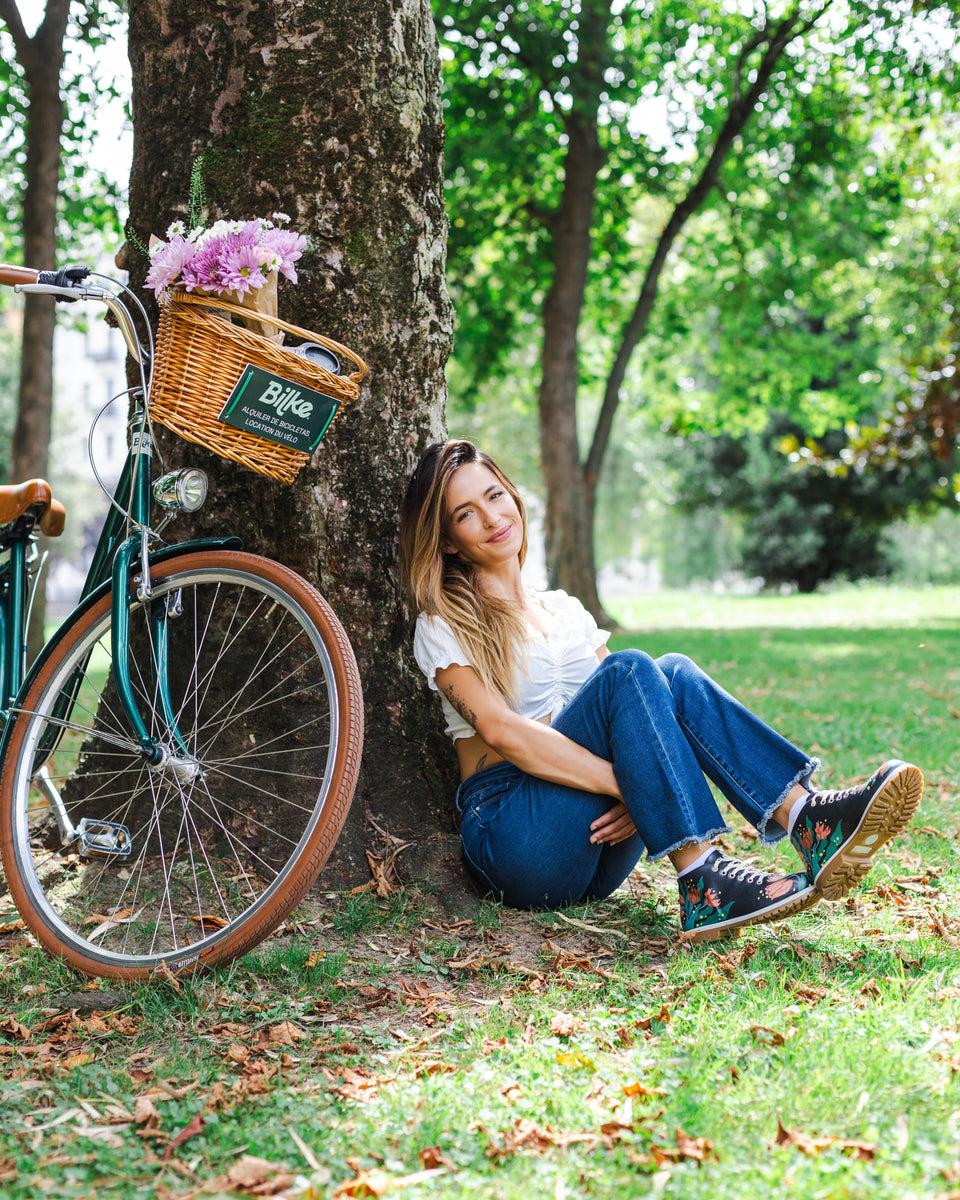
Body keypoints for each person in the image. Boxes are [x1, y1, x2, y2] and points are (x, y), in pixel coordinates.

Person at [399, 440, 924, 944]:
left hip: (597, 851)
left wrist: (638, 783)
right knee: (631, 669)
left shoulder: (565, 610)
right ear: (447, 540)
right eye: (466, 513)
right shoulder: (445, 622)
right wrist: (634, 785)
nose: (492, 518)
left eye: (494, 496)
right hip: (516, 838)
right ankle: (702, 876)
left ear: (513, 497)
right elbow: (503, 731)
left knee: (667, 671)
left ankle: (805, 818)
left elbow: (639, 714)